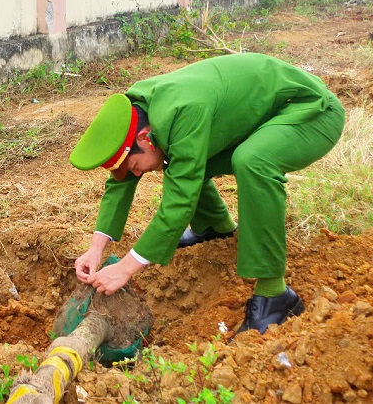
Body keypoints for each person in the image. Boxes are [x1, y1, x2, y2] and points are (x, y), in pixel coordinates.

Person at [69, 52, 344, 335]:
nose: (136, 173)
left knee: (253, 161)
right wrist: (95, 249)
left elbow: (179, 203)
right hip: (259, 117)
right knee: (180, 158)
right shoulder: (136, 114)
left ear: (144, 138)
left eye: (134, 166)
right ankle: (215, 226)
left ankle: (275, 295)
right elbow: (122, 180)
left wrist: (126, 268)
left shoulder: (183, 111)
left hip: (309, 111)